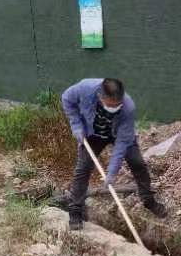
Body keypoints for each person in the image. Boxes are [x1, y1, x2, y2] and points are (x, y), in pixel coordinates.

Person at [61, 77, 167, 231]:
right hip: (93, 133)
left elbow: (122, 144)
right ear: (100, 96)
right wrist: (76, 125)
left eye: (118, 105)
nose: (115, 108)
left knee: (137, 163)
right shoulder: (85, 88)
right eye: (110, 105)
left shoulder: (128, 107)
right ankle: (75, 210)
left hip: (118, 133)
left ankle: (148, 200)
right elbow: (67, 99)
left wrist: (111, 173)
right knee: (83, 168)